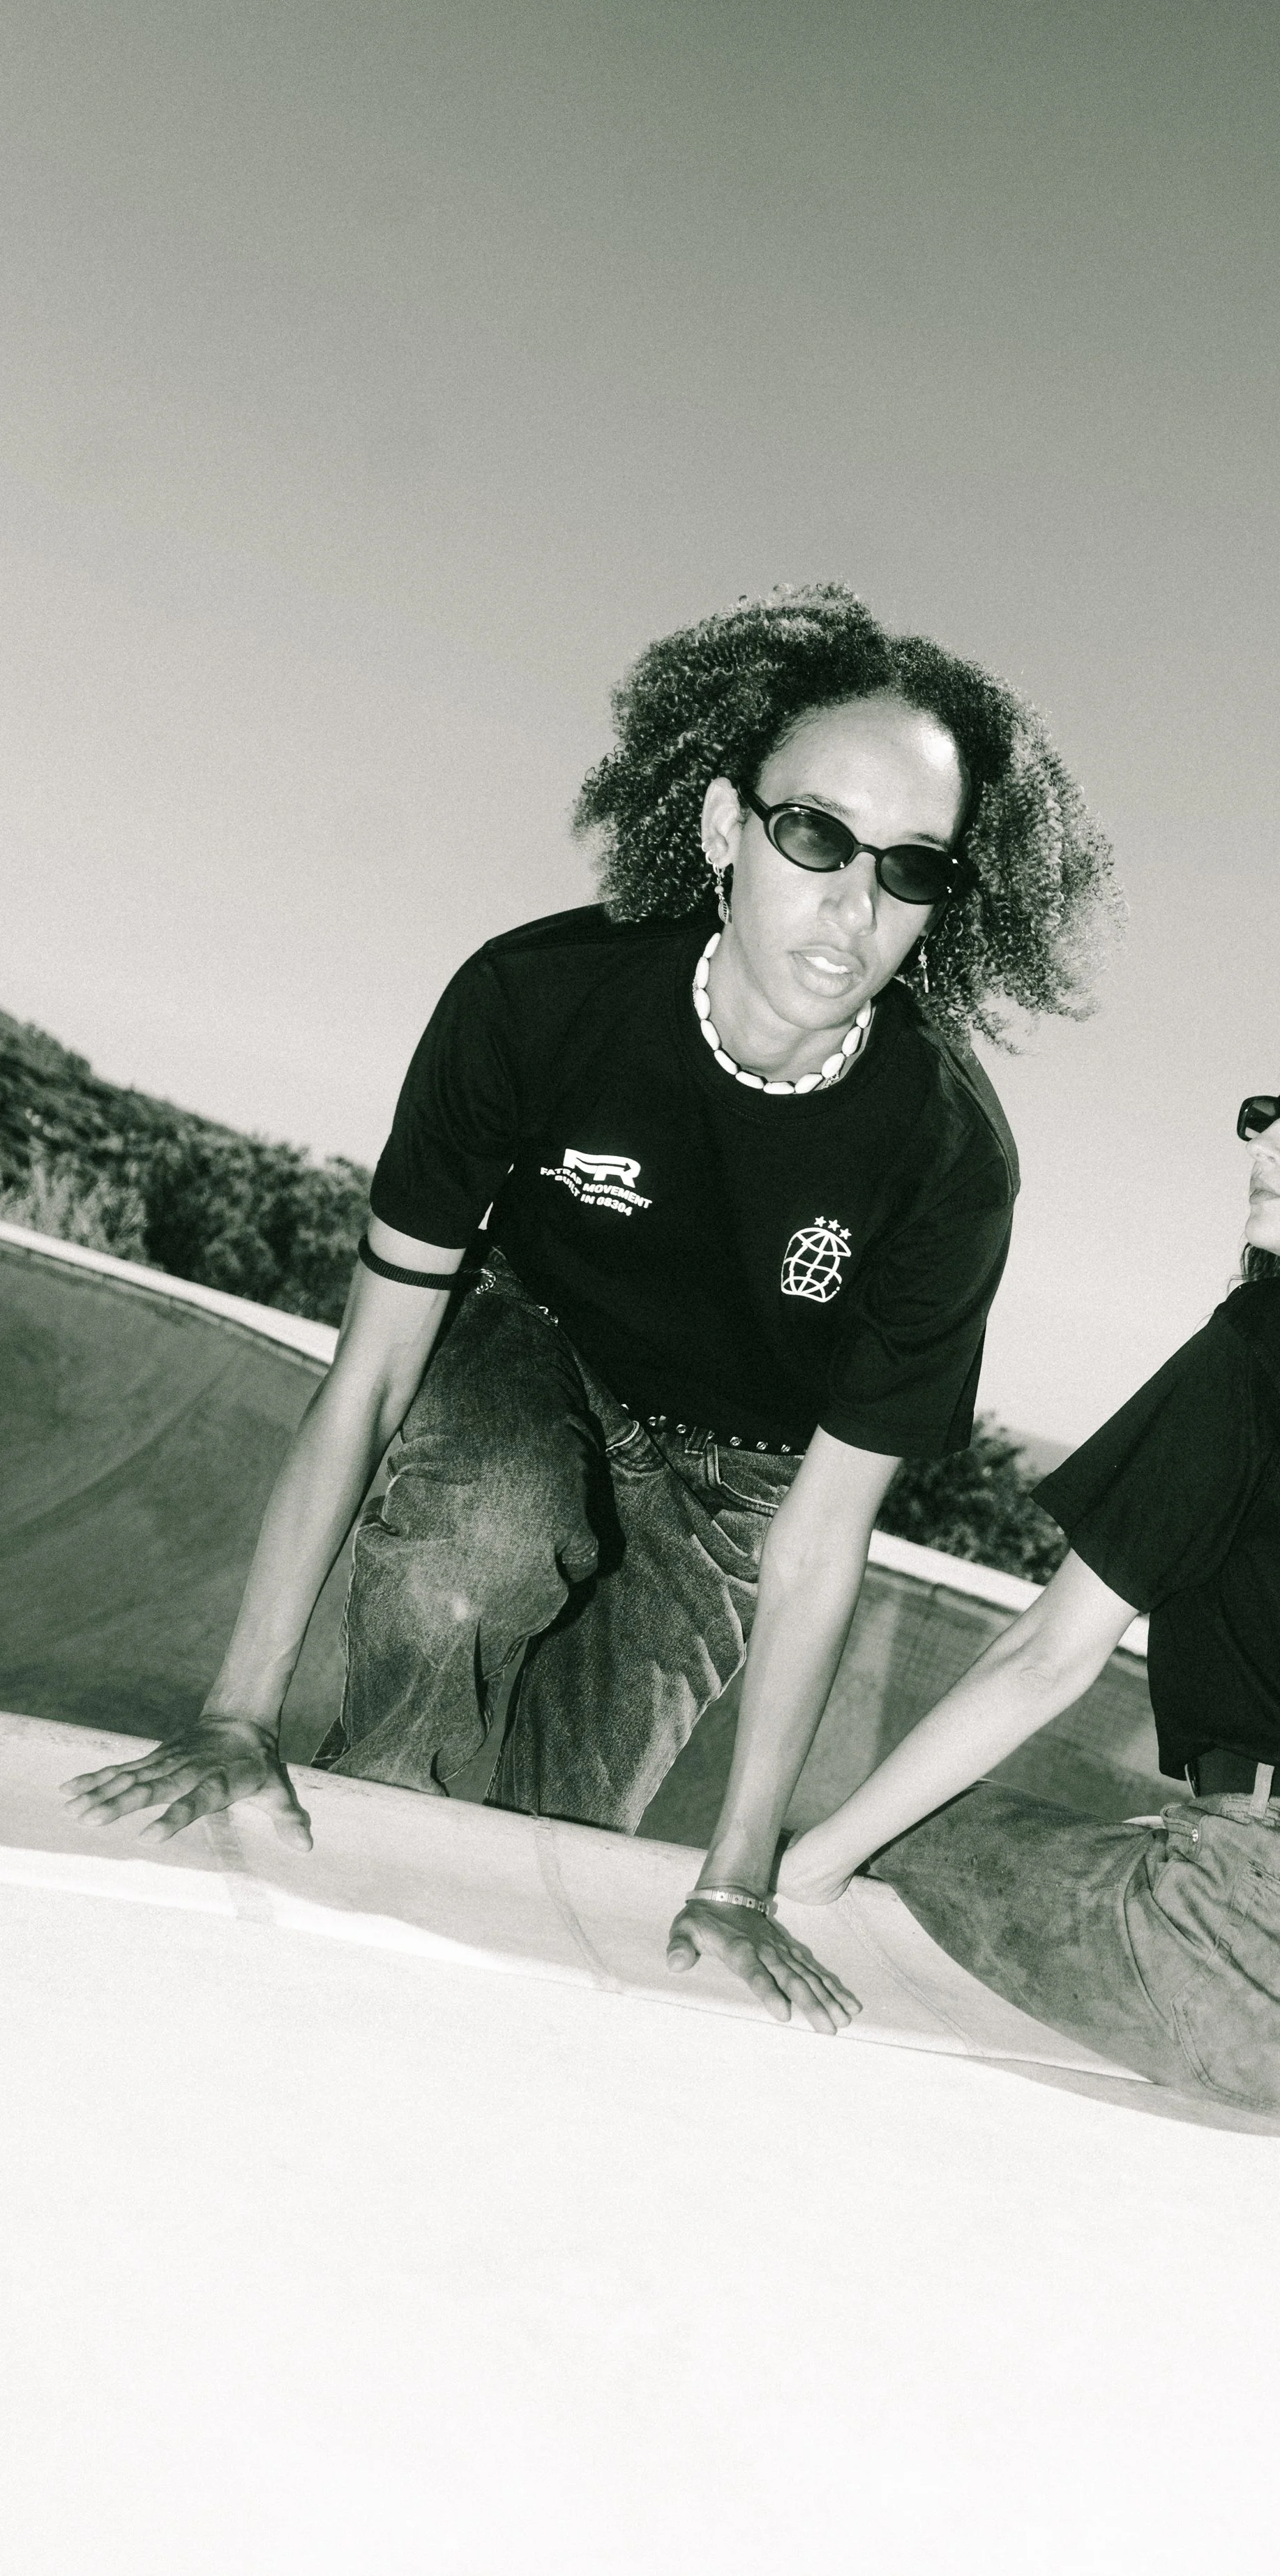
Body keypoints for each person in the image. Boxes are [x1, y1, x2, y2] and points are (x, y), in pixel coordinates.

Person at [65, 584, 1118, 2034]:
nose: (853, 902)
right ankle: (327, 1939)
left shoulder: (945, 1161)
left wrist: (737, 1876)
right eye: (814, 836)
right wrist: (237, 1714)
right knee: (480, 1541)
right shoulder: (537, 1000)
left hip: (742, 1483)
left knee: (551, 1852)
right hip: (535, 1352)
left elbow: (821, 1539)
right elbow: (371, 1379)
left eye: (912, 866)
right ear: (721, 828)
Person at [778, 1009, 1280, 2135]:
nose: (1264, 1142)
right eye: (1268, 1113)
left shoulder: (1276, 1341)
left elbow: (1047, 1655)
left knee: (895, 1837)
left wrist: (807, 1866)